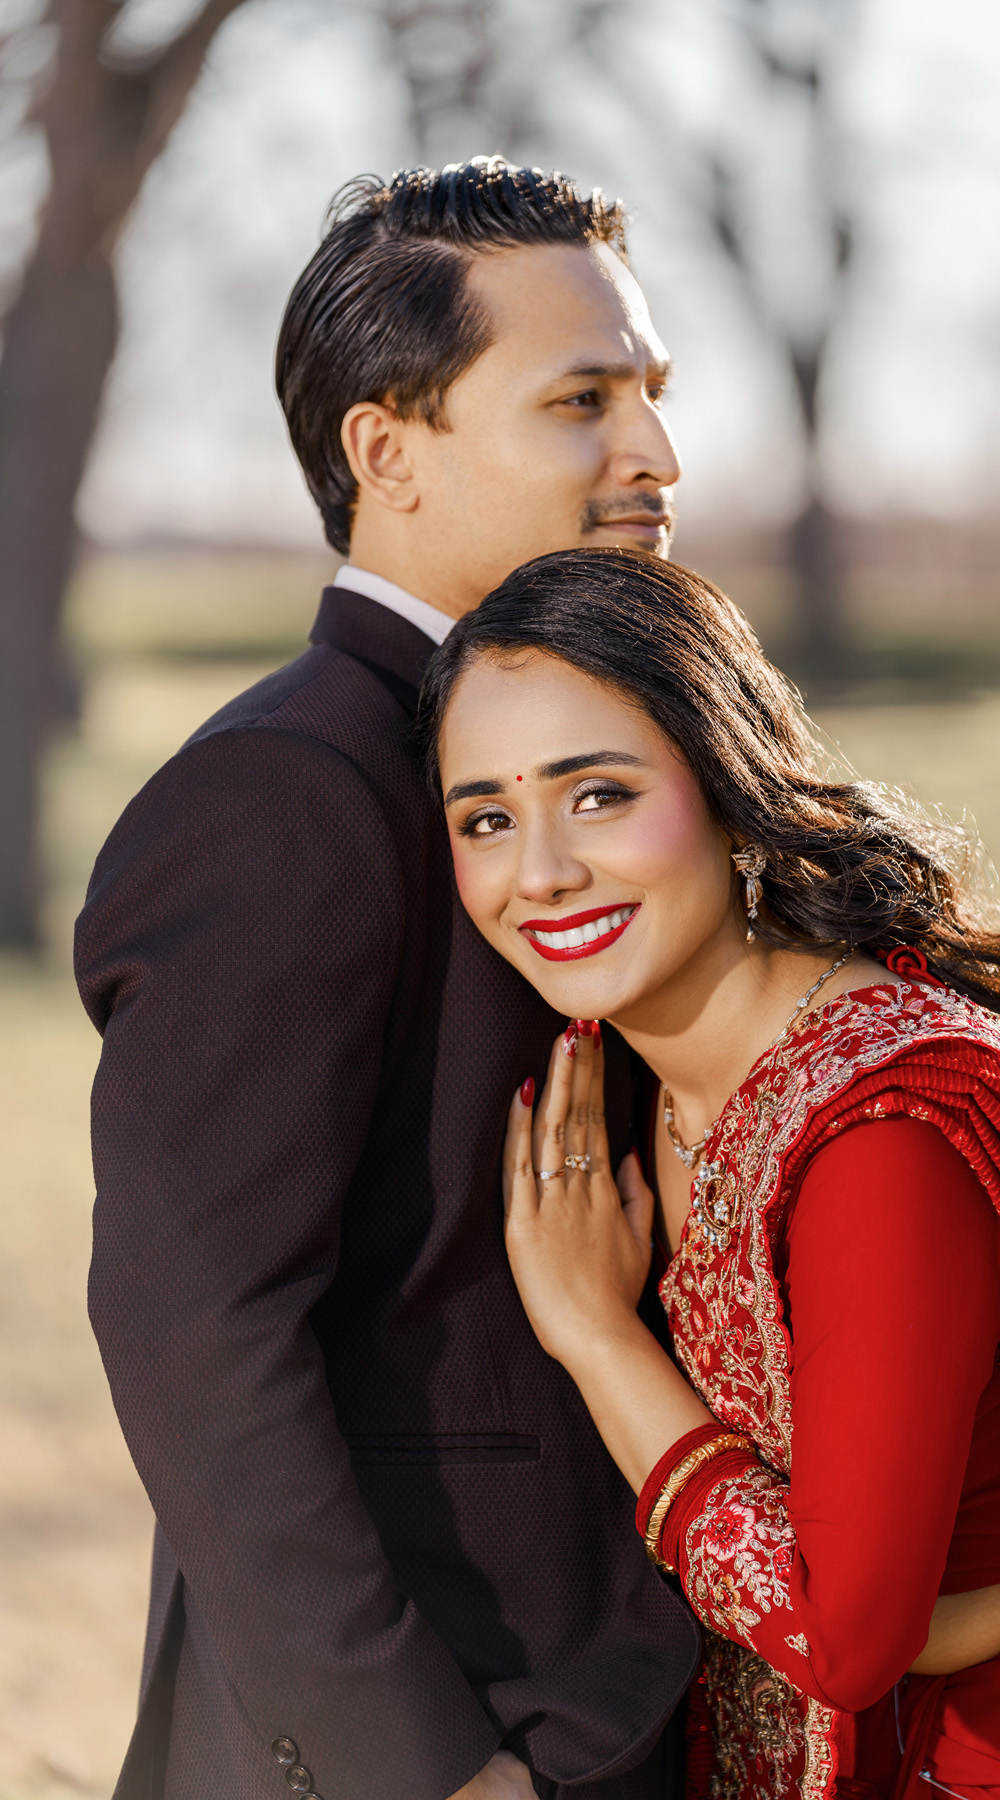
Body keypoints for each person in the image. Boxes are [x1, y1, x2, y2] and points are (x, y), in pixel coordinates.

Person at [75, 159, 699, 1800]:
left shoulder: (629, 751)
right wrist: (411, 1763)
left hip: (632, 1690)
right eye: (582, 399)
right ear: (385, 450)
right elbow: (194, 1321)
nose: (654, 455)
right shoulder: (285, 792)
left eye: (650, 393)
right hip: (450, 1726)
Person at [417, 547, 1000, 1800]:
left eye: (600, 795)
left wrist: (594, 1337)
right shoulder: (627, 1083)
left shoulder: (879, 1136)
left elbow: (844, 1641)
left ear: (728, 791)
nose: (541, 872)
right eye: (487, 819)